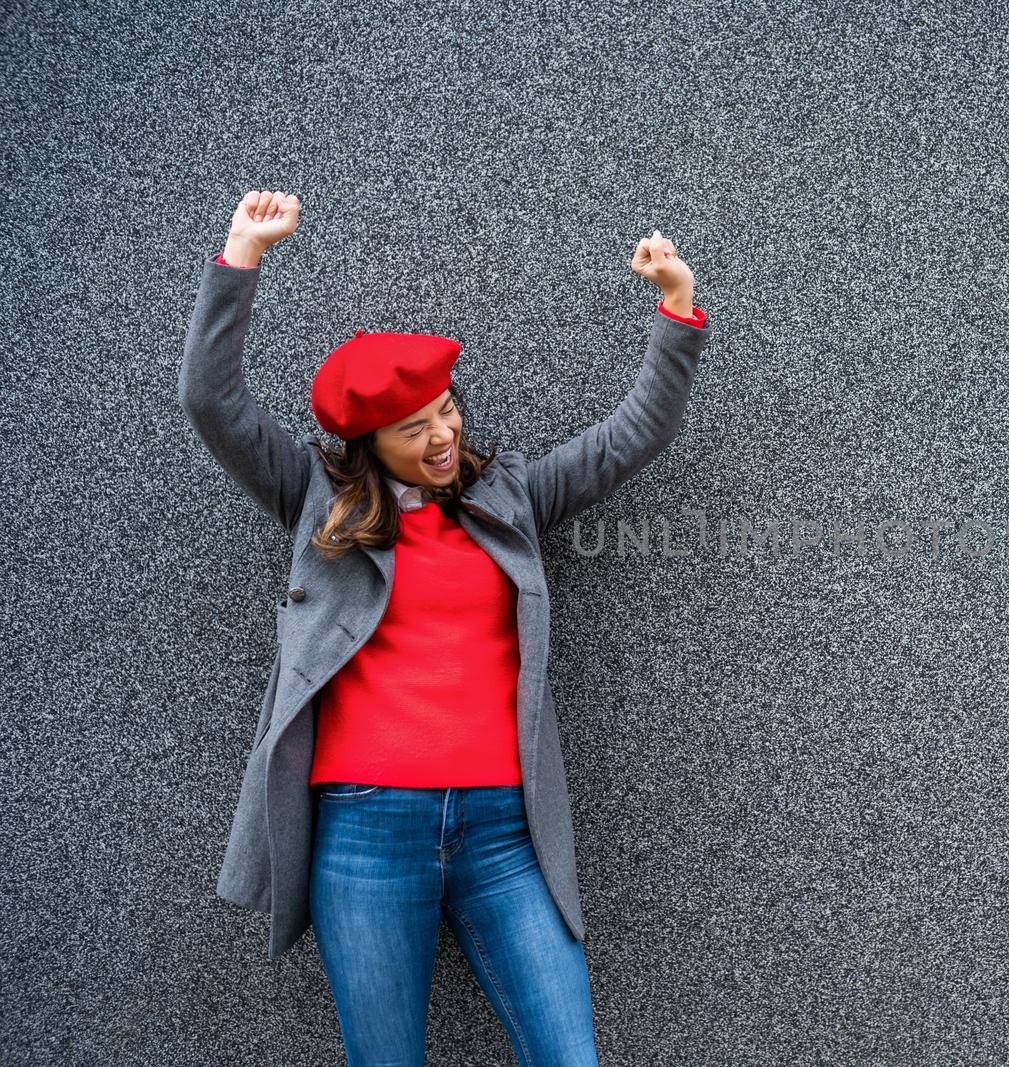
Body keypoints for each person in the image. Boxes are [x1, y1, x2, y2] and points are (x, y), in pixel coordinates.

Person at [181, 189, 711, 1066]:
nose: (441, 435)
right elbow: (212, 400)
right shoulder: (318, 503)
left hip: (506, 829)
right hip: (366, 832)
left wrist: (677, 310)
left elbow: (630, 437)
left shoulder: (510, 500)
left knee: (569, 1054)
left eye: (446, 412)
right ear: (363, 443)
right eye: (411, 428)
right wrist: (243, 255)